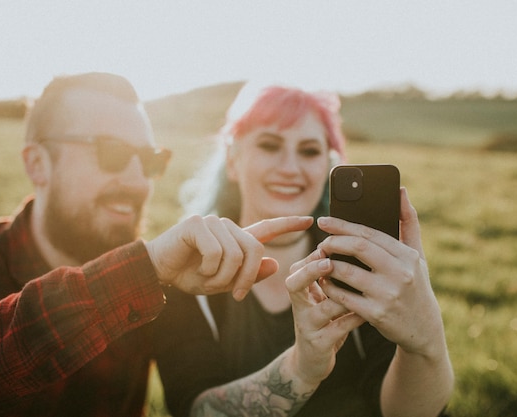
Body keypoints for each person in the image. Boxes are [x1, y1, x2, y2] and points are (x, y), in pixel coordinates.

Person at [0, 73, 314, 417]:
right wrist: (141, 272)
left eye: (150, 159)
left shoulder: (157, 282)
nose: (139, 182)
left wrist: (305, 364)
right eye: (113, 153)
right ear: (37, 164)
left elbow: (202, 404)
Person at [154, 83, 454, 416]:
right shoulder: (191, 275)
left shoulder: (362, 268)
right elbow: (196, 409)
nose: (290, 168)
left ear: (328, 166)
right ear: (233, 160)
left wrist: (426, 343)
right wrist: (300, 369)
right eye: (269, 146)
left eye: (309, 151)